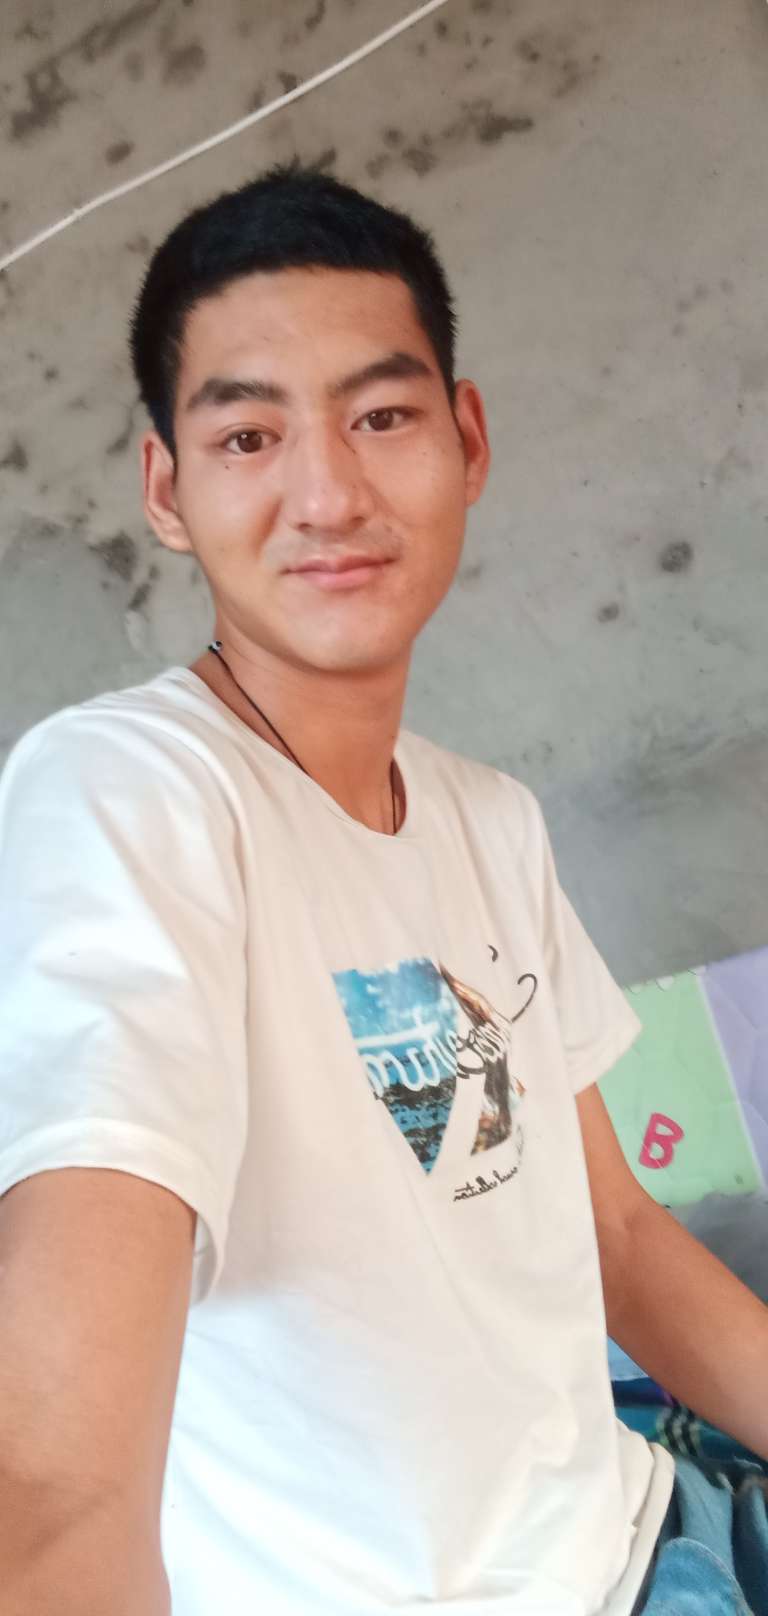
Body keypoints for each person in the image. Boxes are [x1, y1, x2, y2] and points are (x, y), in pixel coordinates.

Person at [0, 160, 766, 1616]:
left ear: (466, 440)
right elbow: (56, 1486)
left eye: (381, 416)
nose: (328, 493)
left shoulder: (491, 821)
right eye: (247, 435)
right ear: (165, 489)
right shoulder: (126, 799)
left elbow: (616, 1236)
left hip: (655, 1527)